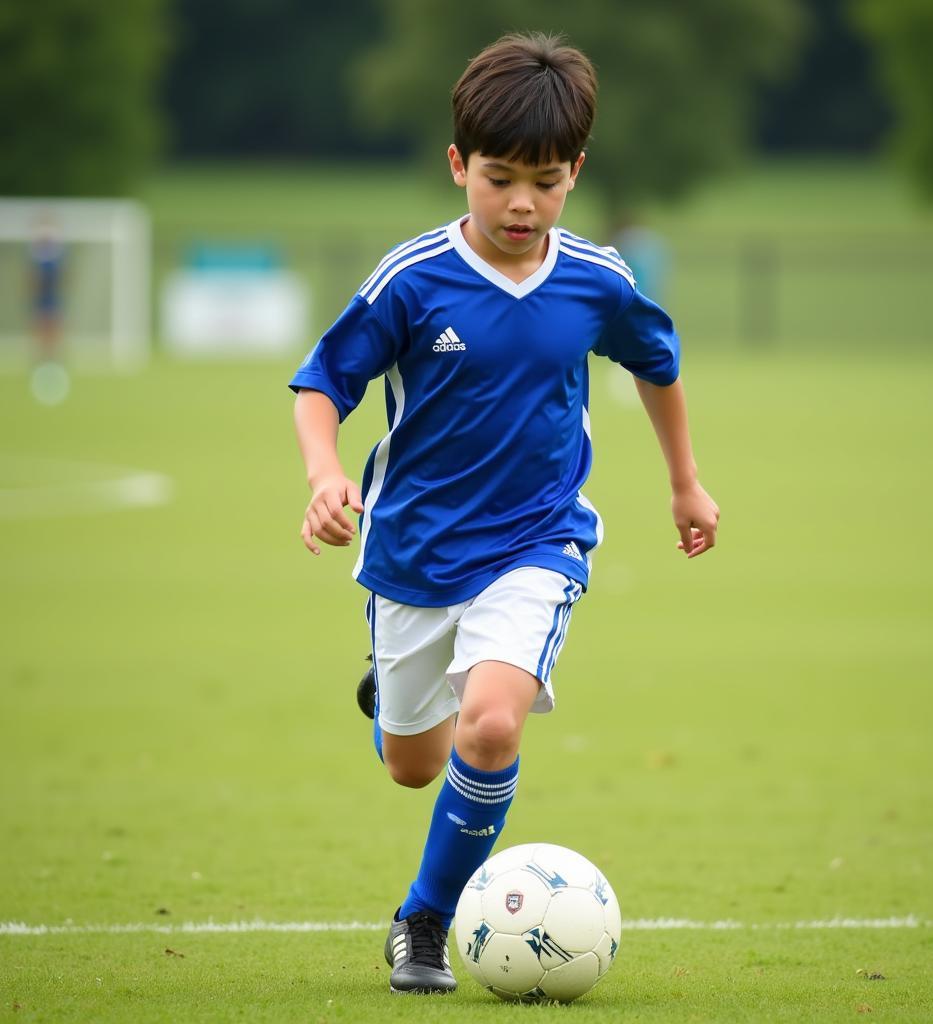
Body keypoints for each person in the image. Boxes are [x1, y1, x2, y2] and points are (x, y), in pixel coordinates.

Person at [289, 32, 719, 995]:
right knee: (412, 764)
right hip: (413, 550)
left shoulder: (596, 280)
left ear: (576, 173)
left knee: (489, 729)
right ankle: (393, 698)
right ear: (458, 167)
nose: (522, 203)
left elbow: (658, 360)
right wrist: (325, 476)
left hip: (538, 540)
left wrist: (684, 481)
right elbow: (323, 382)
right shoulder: (412, 280)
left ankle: (425, 922)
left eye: (546, 180)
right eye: (499, 178)